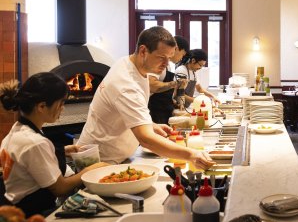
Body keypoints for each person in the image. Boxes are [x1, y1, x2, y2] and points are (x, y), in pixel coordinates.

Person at [78, 26, 215, 167]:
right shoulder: (126, 84)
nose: (166, 64)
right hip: (98, 161)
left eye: (168, 58)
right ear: (143, 51)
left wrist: (150, 125)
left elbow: (123, 112)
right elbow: (146, 139)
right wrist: (192, 154)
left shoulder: (130, 64)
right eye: (161, 58)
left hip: (116, 157)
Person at [0, 73, 109, 216]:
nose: (62, 108)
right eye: (61, 103)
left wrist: (62, 150)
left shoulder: (18, 130)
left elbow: (29, 159)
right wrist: (89, 170)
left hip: (15, 206)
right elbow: (60, 188)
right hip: (34, 215)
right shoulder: (34, 143)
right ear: (42, 106)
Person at [148, 35, 189, 124]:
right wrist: (175, 84)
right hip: (156, 112)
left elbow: (164, 91)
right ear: (176, 48)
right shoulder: (159, 64)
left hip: (164, 111)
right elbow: (151, 85)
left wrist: (173, 101)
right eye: (182, 54)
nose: (181, 58)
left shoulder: (168, 66)